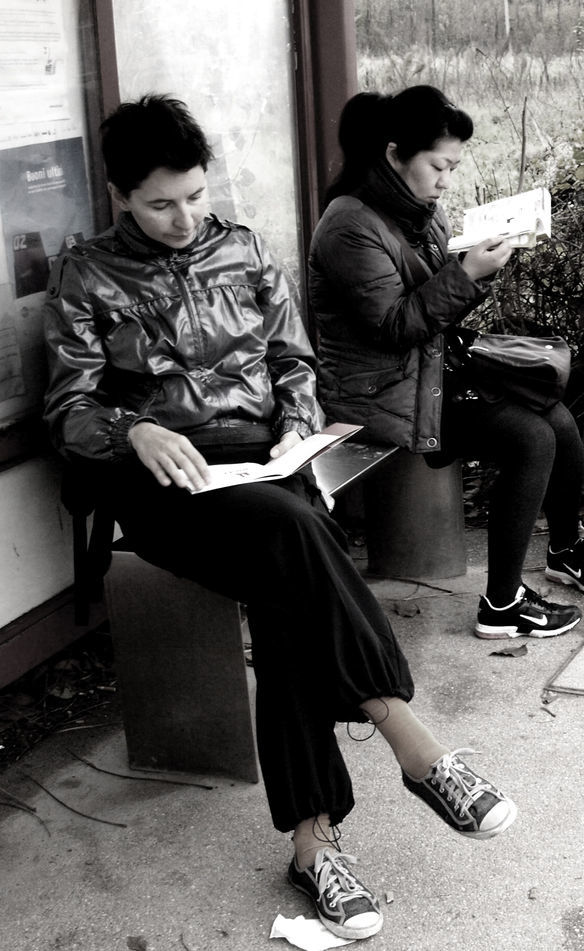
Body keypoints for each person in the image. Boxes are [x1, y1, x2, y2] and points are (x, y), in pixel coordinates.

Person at [42, 94, 516, 942]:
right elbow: (70, 407)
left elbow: (293, 360)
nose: (185, 217)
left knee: (284, 577)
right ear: (119, 195)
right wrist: (135, 426)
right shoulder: (88, 274)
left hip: (264, 464)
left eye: (193, 193)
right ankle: (411, 741)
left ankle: (312, 842)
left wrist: (300, 426)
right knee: (295, 533)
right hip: (163, 484)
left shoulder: (246, 249)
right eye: (159, 204)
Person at [307, 85, 584, 641]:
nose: (445, 180)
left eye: (451, 168)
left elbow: (434, 303)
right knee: (531, 437)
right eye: (439, 166)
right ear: (394, 153)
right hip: (378, 395)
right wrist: (467, 274)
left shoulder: (411, 209)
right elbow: (395, 325)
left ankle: (564, 550)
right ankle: (501, 605)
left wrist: (481, 260)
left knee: (558, 419)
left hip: (426, 376)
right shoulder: (348, 225)